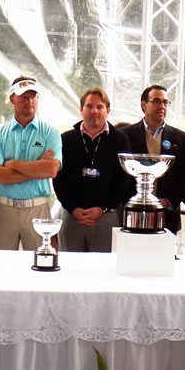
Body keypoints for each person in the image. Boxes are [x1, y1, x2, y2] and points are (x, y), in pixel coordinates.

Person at [0, 76, 62, 250]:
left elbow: (51, 170)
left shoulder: (50, 132)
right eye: (23, 96)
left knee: (40, 261)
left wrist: (12, 164)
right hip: (4, 209)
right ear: (12, 98)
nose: (29, 101)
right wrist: (37, 168)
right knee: (2, 263)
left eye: (33, 96)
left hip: (38, 209)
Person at [52, 87, 133, 252]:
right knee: (70, 265)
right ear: (81, 109)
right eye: (89, 106)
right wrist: (72, 208)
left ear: (108, 110)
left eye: (100, 107)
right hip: (72, 216)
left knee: (103, 266)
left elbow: (123, 179)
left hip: (105, 216)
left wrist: (103, 208)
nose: (94, 111)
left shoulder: (120, 139)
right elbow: (59, 179)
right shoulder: (66, 139)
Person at [120, 84, 185, 235]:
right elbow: (119, 173)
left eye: (165, 102)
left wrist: (169, 201)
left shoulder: (180, 138)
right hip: (132, 212)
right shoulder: (125, 135)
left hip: (167, 216)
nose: (162, 106)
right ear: (144, 105)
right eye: (156, 101)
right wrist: (132, 201)